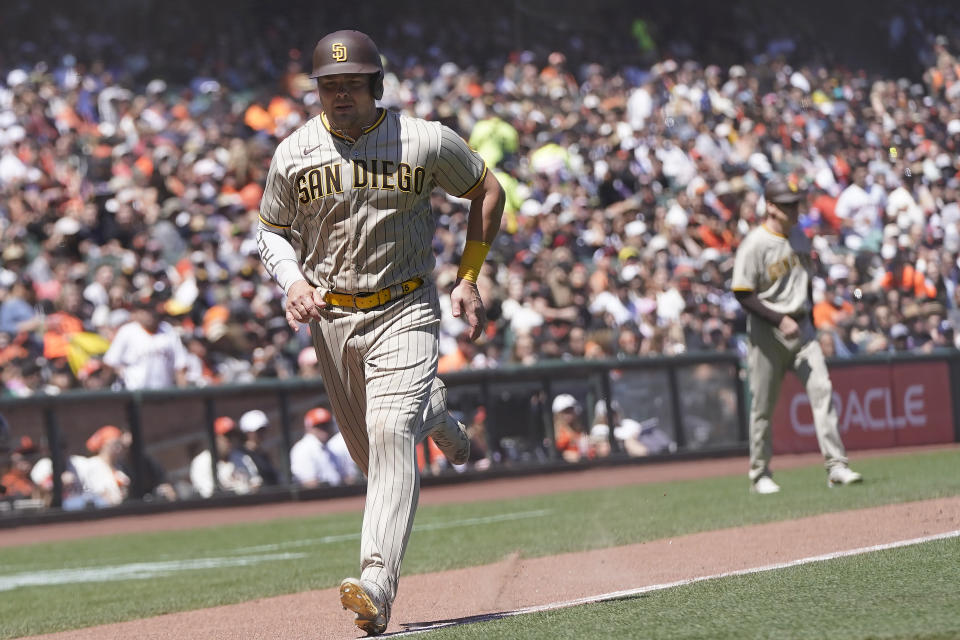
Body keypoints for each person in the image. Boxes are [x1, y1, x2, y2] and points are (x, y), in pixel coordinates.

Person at [257, 29, 503, 635]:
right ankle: (437, 412)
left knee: (391, 433)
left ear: (375, 84)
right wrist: (291, 280)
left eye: (351, 83)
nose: (339, 94)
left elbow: (486, 188)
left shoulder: (423, 139)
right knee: (377, 463)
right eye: (328, 85)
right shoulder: (293, 153)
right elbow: (270, 229)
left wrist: (470, 274)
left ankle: (375, 586)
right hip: (333, 320)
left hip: (406, 306)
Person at [732, 176, 863, 494]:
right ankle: (759, 474)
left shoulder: (801, 238)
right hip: (768, 333)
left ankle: (836, 467)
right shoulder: (755, 244)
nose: (795, 210)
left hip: (803, 329)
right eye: (788, 205)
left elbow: (804, 282)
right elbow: (742, 293)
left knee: (823, 391)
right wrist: (778, 319)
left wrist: (808, 318)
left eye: (796, 204)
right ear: (771, 207)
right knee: (762, 406)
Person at [102, 293, 189, 390]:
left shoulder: (168, 331)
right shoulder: (127, 331)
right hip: (134, 395)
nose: (149, 314)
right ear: (137, 313)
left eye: (151, 309)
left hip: (163, 395)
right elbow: (110, 363)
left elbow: (180, 367)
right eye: (144, 310)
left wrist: (184, 397)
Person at [189, 416, 262, 498]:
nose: (230, 441)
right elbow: (208, 495)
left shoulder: (242, 458)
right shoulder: (201, 462)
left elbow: (256, 484)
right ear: (214, 438)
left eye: (232, 436)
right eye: (226, 436)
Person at [290, 406, 359, 487]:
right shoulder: (302, 449)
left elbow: (345, 478)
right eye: (319, 425)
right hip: (316, 497)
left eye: (326, 424)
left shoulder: (330, 448)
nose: (324, 429)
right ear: (309, 428)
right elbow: (309, 483)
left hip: (335, 495)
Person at [238, 409, 281, 486]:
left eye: (263, 430)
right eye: (258, 431)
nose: (262, 434)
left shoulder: (263, 454)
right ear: (247, 432)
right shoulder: (241, 456)